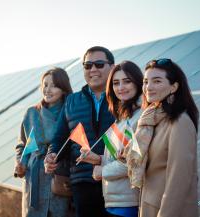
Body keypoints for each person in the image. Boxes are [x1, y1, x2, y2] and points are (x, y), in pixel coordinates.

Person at [44, 46, 116, 217]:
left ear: (112, 67)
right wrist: (52, 154)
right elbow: (60, 138)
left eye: (99, 64)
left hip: (117, 179)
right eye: (87, 65)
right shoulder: (71, 101)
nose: (93, 69)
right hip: (82, 182)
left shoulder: (122, 96)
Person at [125, 58, 199, 217]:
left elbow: (179, 179)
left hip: (168, 210)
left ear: (174, 87)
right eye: (146, 81)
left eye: (157, 81)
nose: (148, 87)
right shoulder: (151, 121)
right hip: (149, 206)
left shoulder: (180, 122)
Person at [77, 60, 143, 217]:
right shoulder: (123, 117)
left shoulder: (140, 118)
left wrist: (102, 171)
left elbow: (134, 162)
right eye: (115, 83)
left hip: (130, 201)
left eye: (127, 81)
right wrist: (98, 159)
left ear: (138, 83)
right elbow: (119, 157)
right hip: (115, 200)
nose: (120, 88)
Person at [14, 67, 73, 217]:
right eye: (45, 85)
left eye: (53, 85)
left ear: (64, 88)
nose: (47, 89)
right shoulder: (31, 112)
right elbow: (22, 144)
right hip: (34, 175)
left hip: (59, 173)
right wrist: (20, 162)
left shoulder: (70, 112)